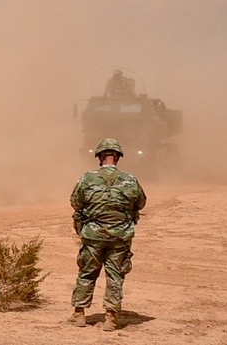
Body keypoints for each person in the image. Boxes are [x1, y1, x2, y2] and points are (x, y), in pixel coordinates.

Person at [68, 138, 147, 331]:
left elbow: (76, 203)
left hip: (93, 236)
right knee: (115, 275)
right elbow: (141, 203)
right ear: (117, 157)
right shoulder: (130, 179)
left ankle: (79, 314)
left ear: (100, 157)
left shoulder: (87, 178)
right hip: (120, 237)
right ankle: (111, 318)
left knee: (87, 273)